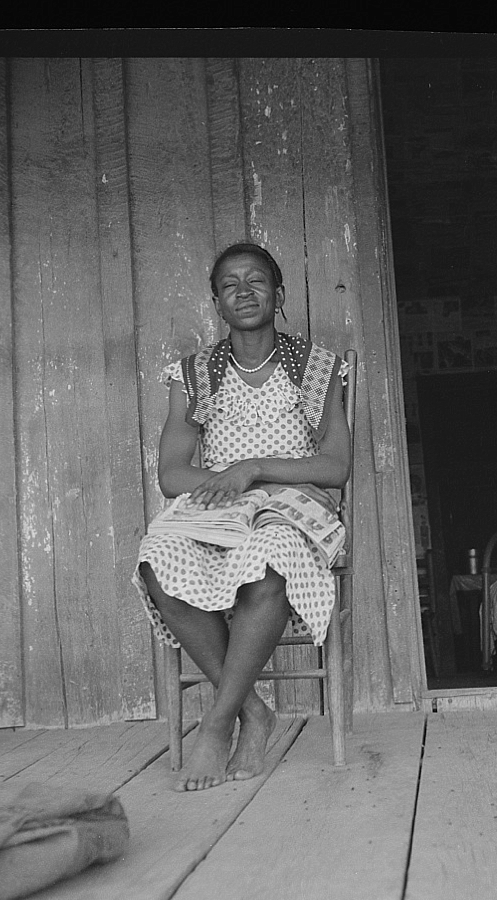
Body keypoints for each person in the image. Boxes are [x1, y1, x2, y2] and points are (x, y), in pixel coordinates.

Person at [133, 242, 351, 792]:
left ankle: (217, 722)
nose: (244, 291)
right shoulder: (194, 373)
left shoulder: (318, 366)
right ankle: (252, 710)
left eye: (256, 281)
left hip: (295, 503)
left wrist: (254, 468)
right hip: (221, 505)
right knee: (158, 560)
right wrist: (227, 483)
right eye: (230, 284)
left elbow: (336, 466)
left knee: (270, 558)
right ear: (216, 301)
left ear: (278, 294)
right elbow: (172, 475)